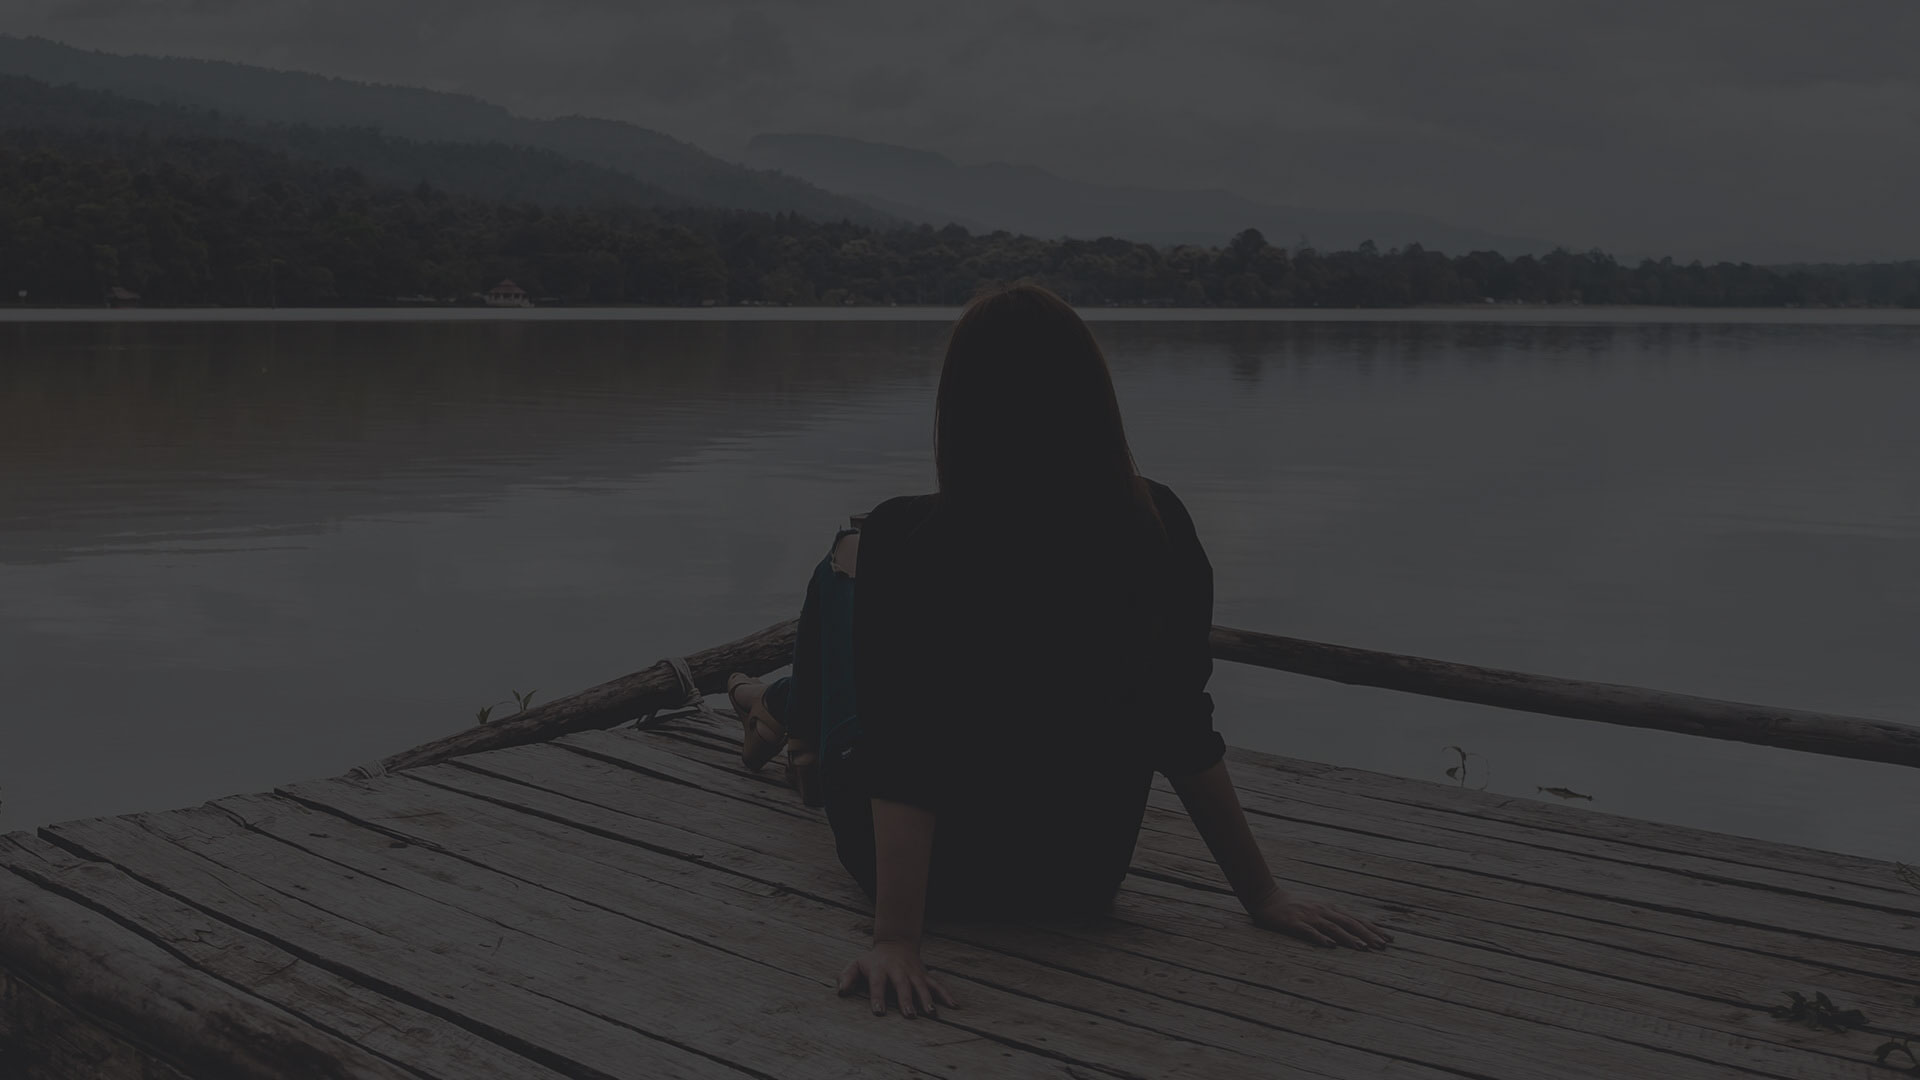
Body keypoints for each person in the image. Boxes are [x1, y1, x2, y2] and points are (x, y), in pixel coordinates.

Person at [724, 284, 1391, 1020]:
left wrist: (897, 939)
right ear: (1091, 398)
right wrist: (1263, 893)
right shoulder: (1156, 522)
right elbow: (1180, 722)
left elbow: (904, 752)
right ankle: (780, 708)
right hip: (1081, 873)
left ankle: (778, 706)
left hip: (936, 876)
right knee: (862, 577)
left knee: (843, 565)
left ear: (962, 405)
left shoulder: (908, 535)